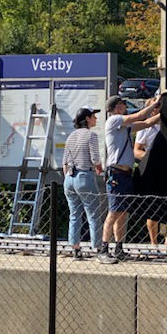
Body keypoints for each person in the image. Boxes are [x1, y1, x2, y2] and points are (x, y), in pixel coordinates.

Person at [99, 94, 160, 263]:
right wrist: (155, 102)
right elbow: (140, 116)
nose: (125, 106)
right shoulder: (114, 120)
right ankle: (103, 249)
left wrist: (165, 111)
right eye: (122, 104)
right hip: (116, 174)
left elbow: (147, 122)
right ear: (116, 107)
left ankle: (119, 248)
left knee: (122, 213)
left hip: (125, 174)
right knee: (113, 212)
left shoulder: (124, 126)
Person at [62, 107, 103, 259]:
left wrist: (68, 176)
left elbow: (65, 162)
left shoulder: (71, 136)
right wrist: (100, 168)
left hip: (70, 178)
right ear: (87, 119)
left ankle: (75, 248)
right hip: (85, 176)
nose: (96, 119)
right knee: (93, 214)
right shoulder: (91, 135)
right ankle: (98, 248)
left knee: (75, 214)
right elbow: (95, 159)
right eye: (94, 116)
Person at [134, 119, 167, 246]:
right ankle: (154, 243)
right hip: (152, 169)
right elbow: (137, 150)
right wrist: (151, 158)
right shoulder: (145, 128)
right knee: (152, 208)